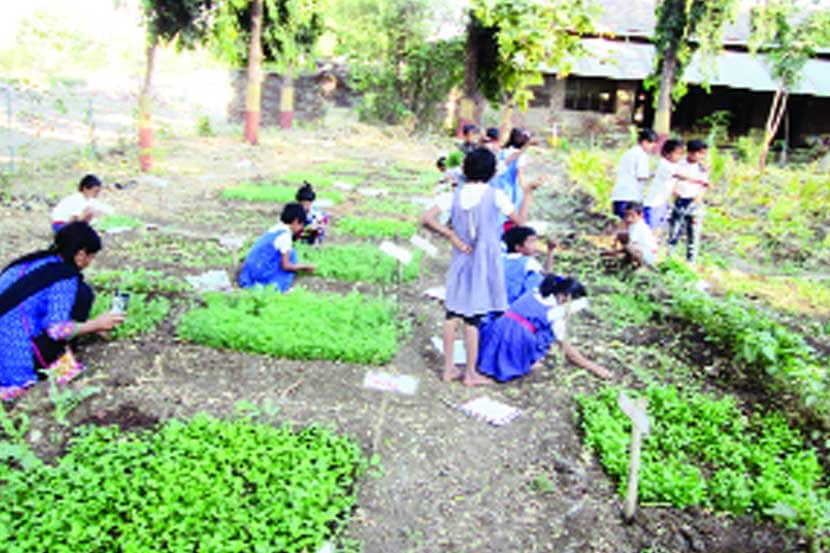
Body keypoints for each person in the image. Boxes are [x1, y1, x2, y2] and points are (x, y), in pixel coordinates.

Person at [421, 147, 539, 386]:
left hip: (461, 257)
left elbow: (427, 218)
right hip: (485, 260)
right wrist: (527, 194)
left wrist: (451, 235)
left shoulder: (454, 195)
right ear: (492, 171)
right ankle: (470, 374)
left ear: (466, 169)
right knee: (473, 317)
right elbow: (520, 222)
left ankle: (448, 369)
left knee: (452, 312)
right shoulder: (495, 195)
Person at [0, 222, 124, 400]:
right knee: (83, 294)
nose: (89, 263)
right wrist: (95, 325)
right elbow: (56, 330)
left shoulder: (28, 262)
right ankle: (56, 370)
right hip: (15, 359)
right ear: (81, 254)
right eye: (91, 257)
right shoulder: (65, 277)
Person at [478, 275, 612, 383]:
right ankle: (517, 362)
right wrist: (595, 368)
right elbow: (568, 351)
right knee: (543, 337)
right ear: (565, 298)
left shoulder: (538, 292)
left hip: (496, 331)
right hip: (514, 340)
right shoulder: (555, 313)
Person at [238, 203, 315, 292]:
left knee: (288, 253)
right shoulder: (285, 236)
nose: (301, 228)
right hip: (260, 274)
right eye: (301, 224)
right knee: (292, 255)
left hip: (249, 272)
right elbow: (285, 266)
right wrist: (304, 266)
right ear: (296, 221)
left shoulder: (276, 228)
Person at [667, 139, 711, 265]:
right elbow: (673, 181)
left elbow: (704, 185)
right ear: (691, 153)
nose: (701, 156)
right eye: (699, 153)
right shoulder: (679, 165)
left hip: (694, 202)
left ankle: (691, 263)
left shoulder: (702, 168)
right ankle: (670, 259)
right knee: (675, 232)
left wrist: (699, 197)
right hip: (680, 200)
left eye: (703, 154)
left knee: (694, 235)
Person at [492, 128, 535, 231]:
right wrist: (526, 189)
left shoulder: (502, 151)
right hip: (512, 187)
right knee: (512, 213)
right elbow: (520, 173)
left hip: (498, 184)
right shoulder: (520, 155)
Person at [502, 225, 556, 304]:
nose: (535, 245)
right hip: (516, 303)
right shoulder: (528, 262)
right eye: (531, 242)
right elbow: (547, 274)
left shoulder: (502, 258)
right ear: (518, 247)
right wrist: (550, 251)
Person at [610, 129, 657, 219]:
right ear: (644, 142)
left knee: (624, 226)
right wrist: (655, 175)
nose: (653, 146)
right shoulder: (642, 155)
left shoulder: (629, 153)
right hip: (631, 196)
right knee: (632, 225)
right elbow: (642, 176)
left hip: (619, 194)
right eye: (651, 142)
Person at [644, 138, 684, 234]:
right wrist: (698, 180)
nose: (679, 156)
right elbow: (678, 175)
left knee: (659, 230)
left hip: (662, 202)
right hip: (653, 204)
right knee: (649, 230)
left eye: (681, 154)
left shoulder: (674, 164)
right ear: (667, 153)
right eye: (677, 153)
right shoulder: (664, 164)